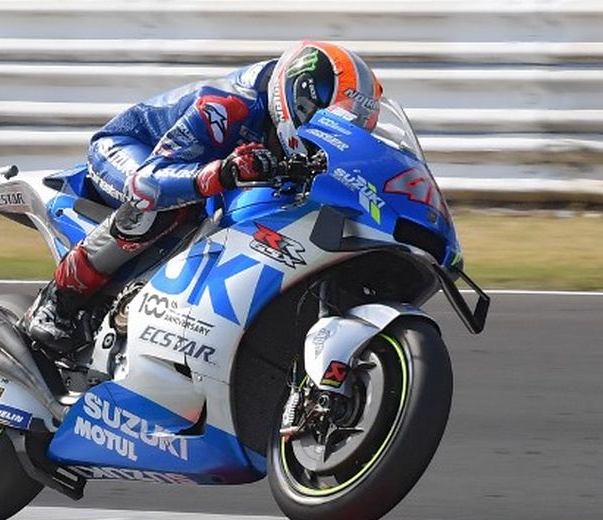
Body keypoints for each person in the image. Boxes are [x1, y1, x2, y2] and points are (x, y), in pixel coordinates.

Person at [23, 40, 384, 351]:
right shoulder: (228, 104)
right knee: (163, 202)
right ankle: (58, 301)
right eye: (329, 118)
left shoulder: (295, 135)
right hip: (133, 152)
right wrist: (223, 172)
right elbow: (150, 180)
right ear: (299, 94)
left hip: (198, 174)